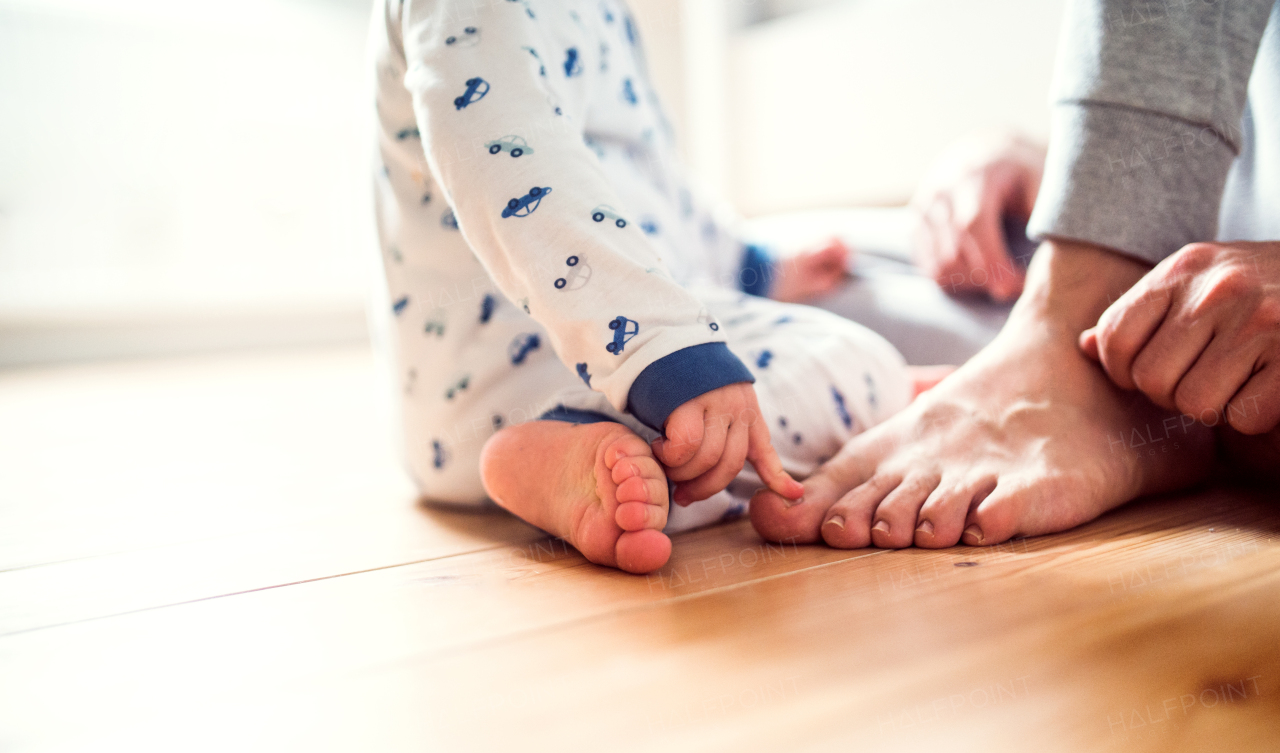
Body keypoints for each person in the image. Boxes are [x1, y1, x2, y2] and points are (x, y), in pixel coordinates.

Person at [370, 0, 931, 573]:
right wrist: (665, 349)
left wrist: (753, 265)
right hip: (538, 372)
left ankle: (577, 464)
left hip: (462, 428)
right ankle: (893, 401)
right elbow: (509, 155)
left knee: (670, 463)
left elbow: (647, 184)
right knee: (856, 362)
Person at [751, 0, 1280, 550]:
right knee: (772, 274)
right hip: (1186, 262)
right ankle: (1076, 317)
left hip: (1192, 332)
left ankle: (1075, 357)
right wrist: (1073, 176)